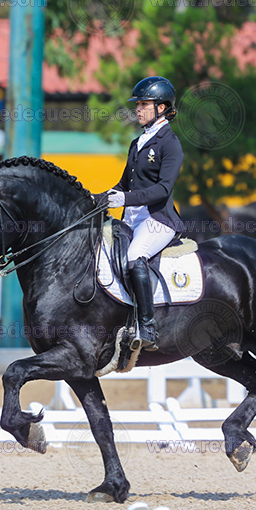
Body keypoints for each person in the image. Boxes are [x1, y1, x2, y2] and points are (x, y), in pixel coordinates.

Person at [101, 76, 185, 351]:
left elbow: (162, 189)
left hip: (158, 219)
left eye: (144, 104)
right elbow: (123, 185)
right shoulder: (137, 142)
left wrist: (125, 198)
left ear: (161, 108)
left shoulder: (169, 144)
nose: (138, 109)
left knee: (135, 256)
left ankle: (147, 327)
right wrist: (98, 199)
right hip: (131, 218)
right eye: (137, 104)